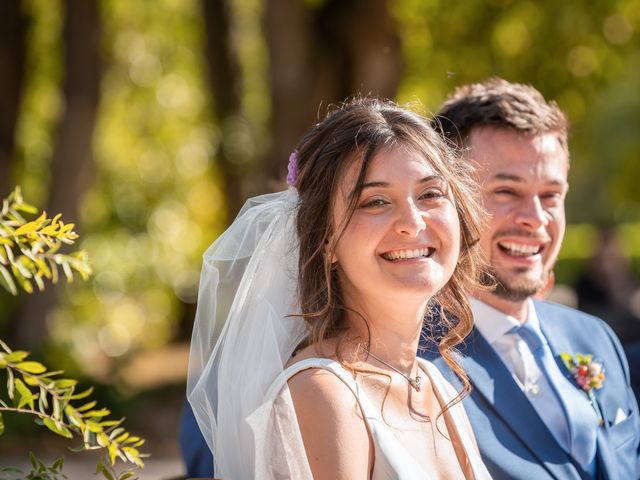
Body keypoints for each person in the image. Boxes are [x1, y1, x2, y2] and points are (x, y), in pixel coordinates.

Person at [186, 98, 493, 479]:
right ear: (326, 240)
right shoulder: (323, 395)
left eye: (431, 194)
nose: (412, 223)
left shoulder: (435, 384)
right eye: (376, 201)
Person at [430, 77, 640, 480]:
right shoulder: (412, 363)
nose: (536, 218)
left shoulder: (595, 338)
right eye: (507, 191)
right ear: (446, 200)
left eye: (551, 195)